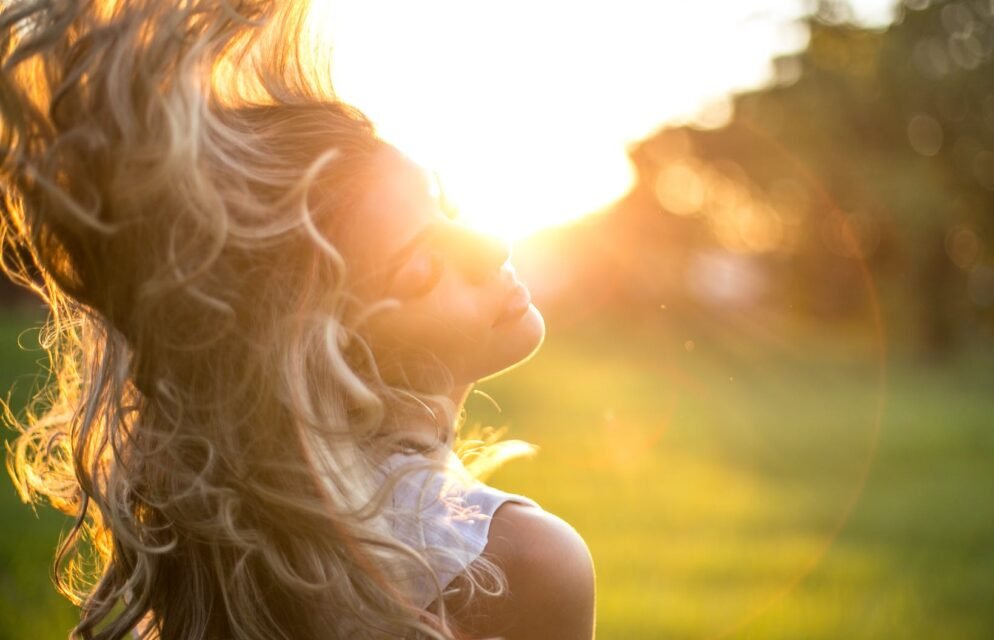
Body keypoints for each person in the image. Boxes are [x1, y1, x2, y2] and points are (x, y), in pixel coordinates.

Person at [0, 1, 594, 639]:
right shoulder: (525, 564)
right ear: (322, 353)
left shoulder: (233, 558)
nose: (490, 246)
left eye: (445, 203)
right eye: (420, 271)